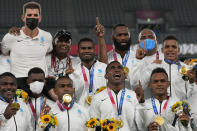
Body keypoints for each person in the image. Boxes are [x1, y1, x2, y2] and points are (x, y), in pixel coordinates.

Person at [1, 1, 52, 78]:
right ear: (23, 18)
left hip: (40, 81)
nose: (32, 17)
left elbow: (50, 51)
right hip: (18, 81)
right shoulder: (11, 37)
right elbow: (3, 52)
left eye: (35, 15)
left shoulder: (47, 36)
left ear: (40, 18)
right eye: (29, 15)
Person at [90, 61, 143, 131]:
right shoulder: (98, 98)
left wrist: (142, 102)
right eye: (112, 68)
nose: (116, 70)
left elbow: (141, 124)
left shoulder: (133, 96)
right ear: (106, 76)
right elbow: (94, 125)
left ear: (124, 75)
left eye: (119, 68)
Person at [138, 35, 191, 99]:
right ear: (162, 50)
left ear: (178, 50)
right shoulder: (154, 66)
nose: (170, 49)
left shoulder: (186, 68)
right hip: (159, 107)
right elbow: (141, 86)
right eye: (167, 47)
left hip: (180, 107)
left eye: (174, 47)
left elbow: (191, 92)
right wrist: (147, 65)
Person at [69, 37, 107, 109]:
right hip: (80, 113)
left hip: (102, 112)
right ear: (78, 52)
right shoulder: (72, 72)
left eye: (89, 48)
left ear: (94, 51)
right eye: (83, 48)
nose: (86, 51)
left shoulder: (105, 68)